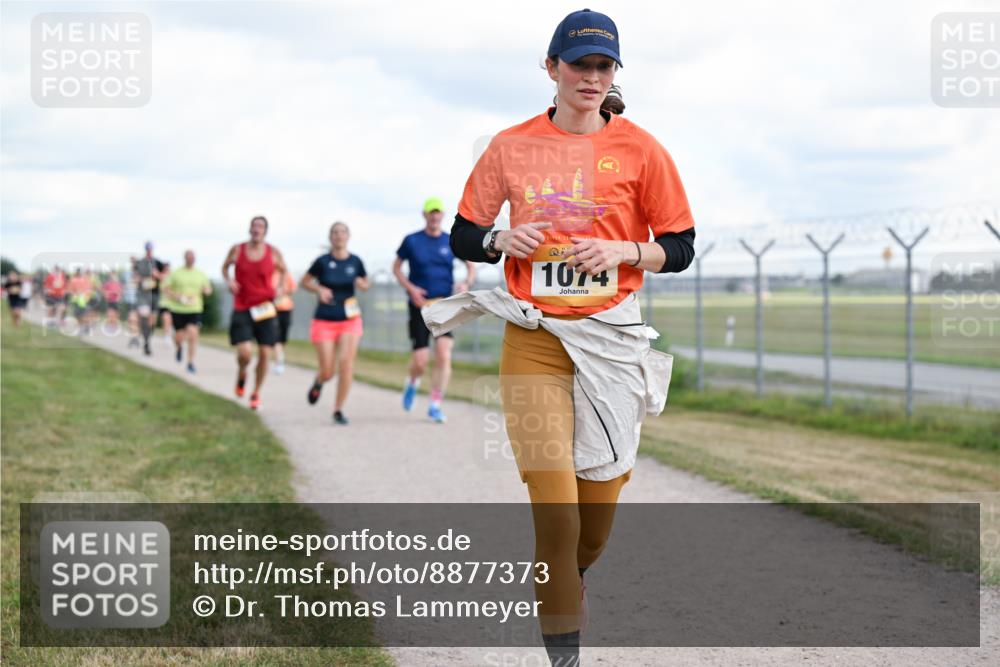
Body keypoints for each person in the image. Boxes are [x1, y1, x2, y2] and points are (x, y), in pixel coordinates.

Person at [443, 10, 696, 666]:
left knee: (592, 526)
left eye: (602, 66)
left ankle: (574, 575)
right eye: (577, 64)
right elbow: (464, 232)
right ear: (550, 68)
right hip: (534, 337)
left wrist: (624, 252)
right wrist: (501, 238)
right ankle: (565, 655)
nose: (589, 76)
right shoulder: (510, 145)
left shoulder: (643, 149)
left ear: (613, 75)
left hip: (610, 342)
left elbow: (681, 246)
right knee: (556, 512)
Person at [392, 197, 476, 423]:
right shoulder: (412, 241)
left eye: (438, 212)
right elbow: (397, 268)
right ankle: (412, 382)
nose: (434, 216)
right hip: (419, 306)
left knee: (443, 354)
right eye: (431, 212)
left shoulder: (449, 242)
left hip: (443, 305)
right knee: (420, 360)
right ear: (425, 215)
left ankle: (435, 403)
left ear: (442, 215)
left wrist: (466, 283)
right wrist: (411, 289)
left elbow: (470, 265)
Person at [301, 222, 369, 425]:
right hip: (324, 320)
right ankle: (320, 380)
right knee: (329, 370)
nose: (339, 236)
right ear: (330, 237)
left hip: (350, 320)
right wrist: (319, 290)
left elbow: (366, 283)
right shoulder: (322, 261)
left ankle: (338, 409)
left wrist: (361, 284)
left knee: (346, 364)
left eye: (342, 232)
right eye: (335, 232)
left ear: (348, 236)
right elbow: (304, 282)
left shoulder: (356, 261)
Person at [221, 215, 288, 411]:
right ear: (249, 229)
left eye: (261, 226)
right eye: (254, 226)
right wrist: (229, 281)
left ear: (265, 231)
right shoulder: (237, 249)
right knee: (245, 353)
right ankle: (242, 372)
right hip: (243, 306)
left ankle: (256, 392)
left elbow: (284, 271)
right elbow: (225, 267)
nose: (257, 229)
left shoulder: (273, 252)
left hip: (266, 308)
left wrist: (281, 288)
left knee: (266, 353)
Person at [165, 250, 212, 374]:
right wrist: (178, 297)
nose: (191, 259)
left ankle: (190, 362)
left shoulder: (200, 274)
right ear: (185, 258)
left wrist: (207, 290)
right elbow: (166, 290)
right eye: (189, 257)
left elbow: (208, 289)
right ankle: (179, 348)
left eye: (193, 257)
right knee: (179, 337)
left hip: (195, 309)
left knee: (193, 334)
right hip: (178, 309)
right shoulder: (176, 273)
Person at [134, 242, 166, 355]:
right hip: (143, 295)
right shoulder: (139, 263)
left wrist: (157, 275)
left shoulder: (158, 263)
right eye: (147, 249)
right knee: (144, 317)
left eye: (150, 249)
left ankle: (147, 337)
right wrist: (140, 279)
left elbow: (164, 277)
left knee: (152, 320)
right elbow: (135, 277)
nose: (149, 251)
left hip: (154, 295)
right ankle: (147, 342)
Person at [272, 267, 297, 375]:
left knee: (283, 337)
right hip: (272, 309)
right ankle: (279, 360)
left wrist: (283, 291)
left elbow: (293, 289)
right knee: (274, 336)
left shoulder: (286, 274)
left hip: (286, 308)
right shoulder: (268, 274)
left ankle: (279, 355)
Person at [67, 268, 95, 336]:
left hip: (85, 300)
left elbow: (90, 289)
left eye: (79, 272)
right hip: (76, 300)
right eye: (77, 272)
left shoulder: (86, 280)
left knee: (85, 315)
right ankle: (81, 328)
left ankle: (87, 327)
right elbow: (70, 290)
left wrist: (86, 295)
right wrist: (74, 294)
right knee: (77, 315)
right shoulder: (73, 280)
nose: (78, 273)